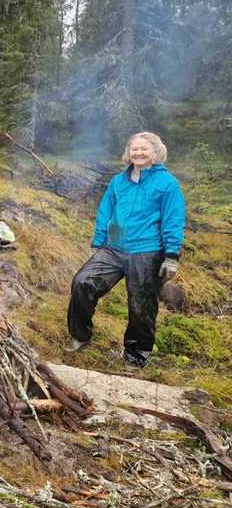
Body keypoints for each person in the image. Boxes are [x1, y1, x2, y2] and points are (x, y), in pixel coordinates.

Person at [64, 132, 185, 371]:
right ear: (128, 153)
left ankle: (136, 355)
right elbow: (105, 213)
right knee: (82, 282)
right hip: (113, 247)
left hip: (146, 250)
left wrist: (171, 256)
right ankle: (80, 335)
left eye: (144, 149)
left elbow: (174, 218)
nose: (138, 153)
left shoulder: (167, 183)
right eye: (134, 149)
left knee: (141, 304)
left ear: (155, 152)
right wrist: (98, 244)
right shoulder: (119, 181)